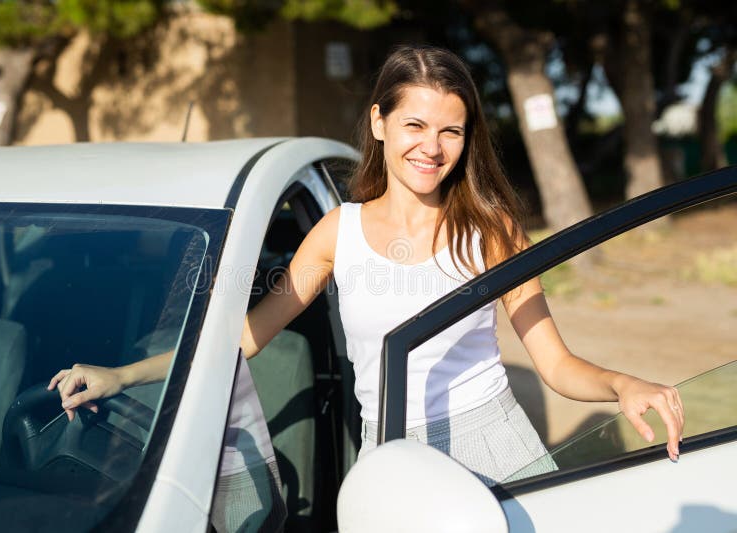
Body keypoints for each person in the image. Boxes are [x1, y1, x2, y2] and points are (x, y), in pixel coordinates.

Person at [49, 45, 684, 486]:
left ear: (467, 140)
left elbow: (555, 365)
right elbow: (243, 338)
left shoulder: (492, 231)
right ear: (379, 123)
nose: (431, 148)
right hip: (390, 452)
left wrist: (623, 383)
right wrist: (124, 374)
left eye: (451, 132)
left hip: (497, 443)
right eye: (414, 124)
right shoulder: (336, 233)